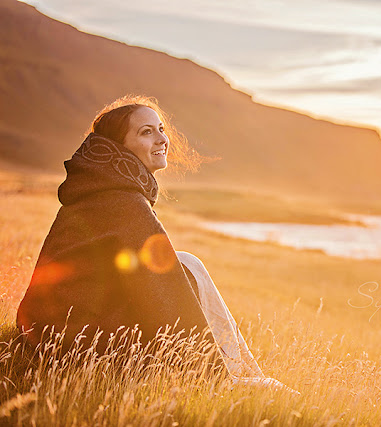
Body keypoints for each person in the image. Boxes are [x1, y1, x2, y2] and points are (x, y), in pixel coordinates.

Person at [16, 95, 291, 391]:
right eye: (146, 132)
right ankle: (230, 381)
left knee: (187, 262)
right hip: (80, 347)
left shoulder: (102, 190)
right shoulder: (122, 201)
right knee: (187, 270)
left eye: (160, 128)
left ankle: (243, 371)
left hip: (57, 335)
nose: (162, 139)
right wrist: (208, 374)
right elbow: (163, 287)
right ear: (118, 147)